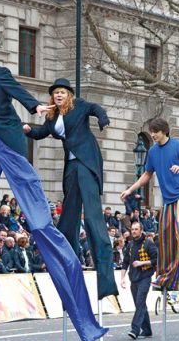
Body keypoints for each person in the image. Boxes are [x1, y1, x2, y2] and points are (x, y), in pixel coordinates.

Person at [0, 34, 107, 341]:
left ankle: (72, 282)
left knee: (40, 221)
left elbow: (18, 93)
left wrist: (34, 107)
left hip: (9, 142)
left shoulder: (0, 74)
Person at [24, 77, 118, 299]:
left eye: (62, 93)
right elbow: (41, 133)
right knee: (68, 217)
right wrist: (27, 129)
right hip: (72, 165)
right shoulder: (52, 116)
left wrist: (103, 119)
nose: (58, 95)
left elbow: (95, 108)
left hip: (86, 162)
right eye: (56, 92)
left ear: (69, 96)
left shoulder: (80, 106)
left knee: (93, 219)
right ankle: (67, 269)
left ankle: (105, 281)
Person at [121, 117, 179, 290]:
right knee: (167, 237)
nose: (153, 135)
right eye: (151, 132)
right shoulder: (153, 151)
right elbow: (147, 174)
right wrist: (130, 190)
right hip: (169, 201)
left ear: (164, 131)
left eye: (155, 131)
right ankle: (168, 278)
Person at [121, 222, 157, 339]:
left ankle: (135, 329)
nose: (134, 231)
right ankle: (147, 330)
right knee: (139, 304)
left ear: (141, 230)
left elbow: (156, 259)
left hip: (145, 277)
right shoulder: (130, 245)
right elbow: (125, 262)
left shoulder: (148, 244)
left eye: (136, 229)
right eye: (132, 229)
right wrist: (122, 278)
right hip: (133, 279)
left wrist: (142, 263)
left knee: (140, 302)